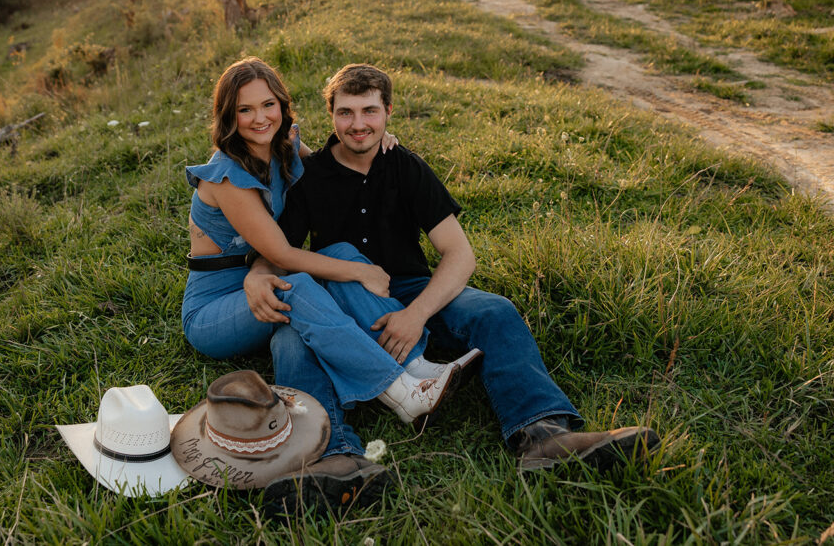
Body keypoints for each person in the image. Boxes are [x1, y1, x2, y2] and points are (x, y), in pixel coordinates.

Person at [247, 63, 661, 512]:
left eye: (370, 111)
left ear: (388, 112)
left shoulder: (405, 166)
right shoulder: (311, 177)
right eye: (346, 113)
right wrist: (254, 276)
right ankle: (335, 460)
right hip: (343, 300)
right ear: (331, 116)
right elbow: (275, 253)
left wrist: (416, 314)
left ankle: (543, 436)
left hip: (412, 290)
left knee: (494, 310)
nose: (359, 124)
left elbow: (459, 255)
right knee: (291, 339)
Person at [182, 58, 479, 506]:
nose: (260, 117)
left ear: (283, 105)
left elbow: (329, 163)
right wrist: (361, 270)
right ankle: (399, 389)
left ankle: (414, 369)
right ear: (229, 117)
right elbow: (281, 255)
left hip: (268, 279)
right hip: (219, 306)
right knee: (305, 282)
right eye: (245, 110)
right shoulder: (226, 174)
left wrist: (384, 142)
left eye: (269, 104)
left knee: (327, 267)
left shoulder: (285, 146)